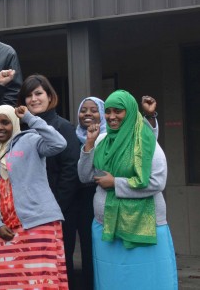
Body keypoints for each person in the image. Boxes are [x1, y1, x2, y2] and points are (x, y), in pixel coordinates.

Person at [78, 90, 176, 290]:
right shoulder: (101, 140)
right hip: (106, 226)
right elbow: (85, 176)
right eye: (109, 112)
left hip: (145, 225)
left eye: (118, 111)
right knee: (112, 280)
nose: (112, 117)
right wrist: (88, 145)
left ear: (130, 112)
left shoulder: (146, 141)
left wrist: (116, 183)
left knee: (148, 280)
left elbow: (157, 182)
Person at [0, 105, 69, 289]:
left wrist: (30, 118)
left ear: (14, 123)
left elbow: (59, 143)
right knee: (13, 284)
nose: (0, 127)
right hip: (8, 230)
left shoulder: (30, 140)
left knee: (40, 282)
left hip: (38, 224)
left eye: (5, 122)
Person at [11, 74, 81, 288]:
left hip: (57, 211)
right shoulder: (19, 131)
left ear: (50, 96)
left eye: (38, 93)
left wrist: (55, 207)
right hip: (28, 214)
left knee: (57, 267)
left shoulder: (63, 127)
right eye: (28, 96)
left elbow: (71, 171)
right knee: (31, 269)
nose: (34, 99)